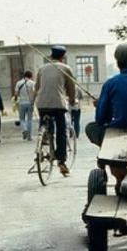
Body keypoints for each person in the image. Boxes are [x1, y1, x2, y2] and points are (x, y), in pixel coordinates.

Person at [34, 45, 76, 176]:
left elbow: (37, 87)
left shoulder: (41, 68)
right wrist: (73, 100)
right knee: (62, 131)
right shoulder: (65, 69)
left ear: (51, 55)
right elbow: (71, 88)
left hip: (42, 104)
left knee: (44, 125)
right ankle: (61, 161)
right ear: (63, 57)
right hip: (58, 104)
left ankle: (42, 143)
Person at [14, 70, 35, 141]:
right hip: (30, 103)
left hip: (21, 103)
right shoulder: (32, 83)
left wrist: (16, 99)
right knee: (30, 119)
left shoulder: (19, 83)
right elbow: (35, 93)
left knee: (22, 119)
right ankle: (29, 136)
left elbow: (16, 94)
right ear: (31, 76)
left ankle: (24, 129)